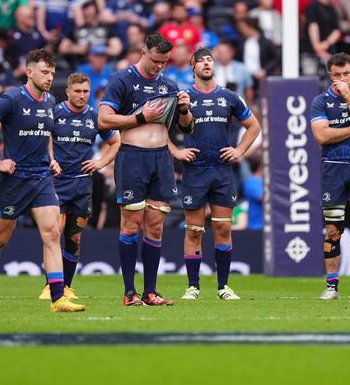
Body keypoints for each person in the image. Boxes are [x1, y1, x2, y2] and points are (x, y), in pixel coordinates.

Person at [0, 49, 84, 313]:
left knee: (53, 233)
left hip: (41, 177)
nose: (50, 77)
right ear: (29, 72)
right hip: (14, 179)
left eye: (52, 73)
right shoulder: (12, 98)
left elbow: (46, 135)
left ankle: (57, 298)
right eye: (44, 72)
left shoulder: (50, 100)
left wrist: (51, 158)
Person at [98, 33, 194, 306]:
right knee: (131, 225)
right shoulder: (122, 80)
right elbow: (104, 119)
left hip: (161, 159)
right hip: (132, 157)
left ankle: (151, 291)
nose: (159, 67)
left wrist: (185, 110)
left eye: (164, 62)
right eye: (155, 60)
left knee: (155, 227)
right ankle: (130, 292)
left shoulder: (170, 84)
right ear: (143, 51)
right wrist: (140, 117)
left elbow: (186, 128)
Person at [172, 48, 260, 300]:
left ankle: (223, 287)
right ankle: (193, 287)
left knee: (223, 229)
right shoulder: (183, 97)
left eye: (209, 60)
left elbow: (253, 126)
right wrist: (176, 152)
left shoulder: (229, 96)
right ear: (193, 68)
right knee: (194, 231)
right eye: (201, 61)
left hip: (221, 170)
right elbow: (160, 129)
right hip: (195, 170)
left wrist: (240, 150)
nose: (206, 63)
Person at [38, 73, 120, 301]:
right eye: (78, 91)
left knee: (74, 238)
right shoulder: (55, 113)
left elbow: (116, 143)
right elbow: (44, 137)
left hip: (82, 184)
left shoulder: (95, 117)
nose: (82, 96)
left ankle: (66, 287)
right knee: (54, 234)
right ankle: (50, 286)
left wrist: (101, 163)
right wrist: (50, 160)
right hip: (56, 182)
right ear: (68, 91)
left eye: (85, 92)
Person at [309, 53, 350, 300]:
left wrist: (348, 97)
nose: (341, 79)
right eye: (336, 75)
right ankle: (331, 287)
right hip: (333, 170)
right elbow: (322, 137)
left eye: (345, 74)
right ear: (330, 76)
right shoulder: (320, 102)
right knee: (333, 230)